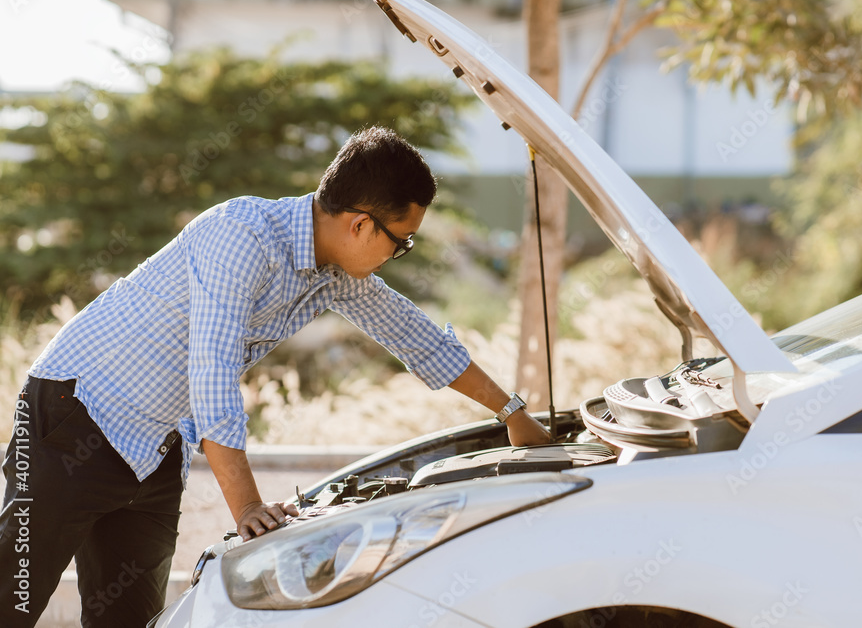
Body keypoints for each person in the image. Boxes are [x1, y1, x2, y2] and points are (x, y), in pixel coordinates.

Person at [0, 125, 550, 627]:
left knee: (129, 621)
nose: (399, 253)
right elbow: (211, 370)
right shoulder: (241, 236)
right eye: (400, 241)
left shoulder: (334, 274)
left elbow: (417, 336)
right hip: (75, 416)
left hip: (156, 447)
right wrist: (247, 508)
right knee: (13, 599)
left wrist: (512, 414)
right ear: (361, 224)